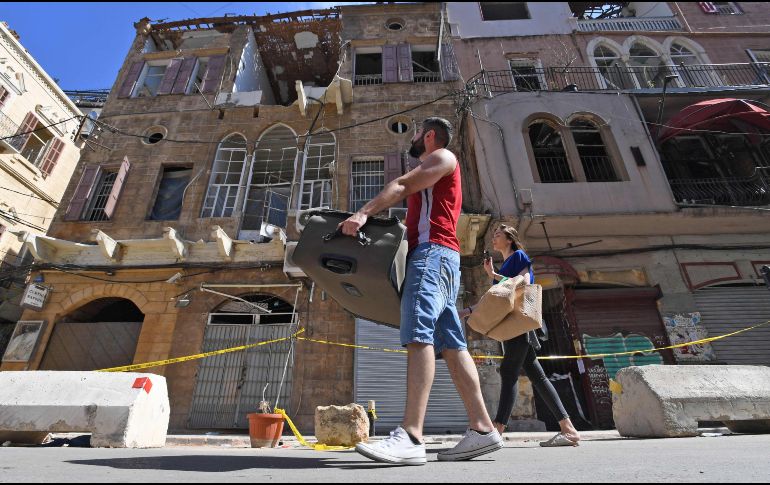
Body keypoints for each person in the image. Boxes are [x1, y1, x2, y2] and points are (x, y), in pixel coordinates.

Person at [340, 117, 503, 465]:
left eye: (416, 134)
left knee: (418, 332)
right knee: (453, 346)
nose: (413, 140)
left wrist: (362, 213)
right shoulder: (436, 170)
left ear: (429, 136)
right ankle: (483, 428)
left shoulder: (441, 157)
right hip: (442, 258)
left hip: (432, 255)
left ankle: (411, 436)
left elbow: (399, 185)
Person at [459, 224, 582, 447]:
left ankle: (496, 430)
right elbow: (495, 299)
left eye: (498, 235)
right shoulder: (505, 265)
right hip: (516, 327)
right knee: (538, 377)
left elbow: (523, 282)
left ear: (509, 239)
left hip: (520, 325)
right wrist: (468, 311)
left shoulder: (518, 255)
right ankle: (568, 429)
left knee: (509, 372)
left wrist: (495, 275)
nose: (493, 238)